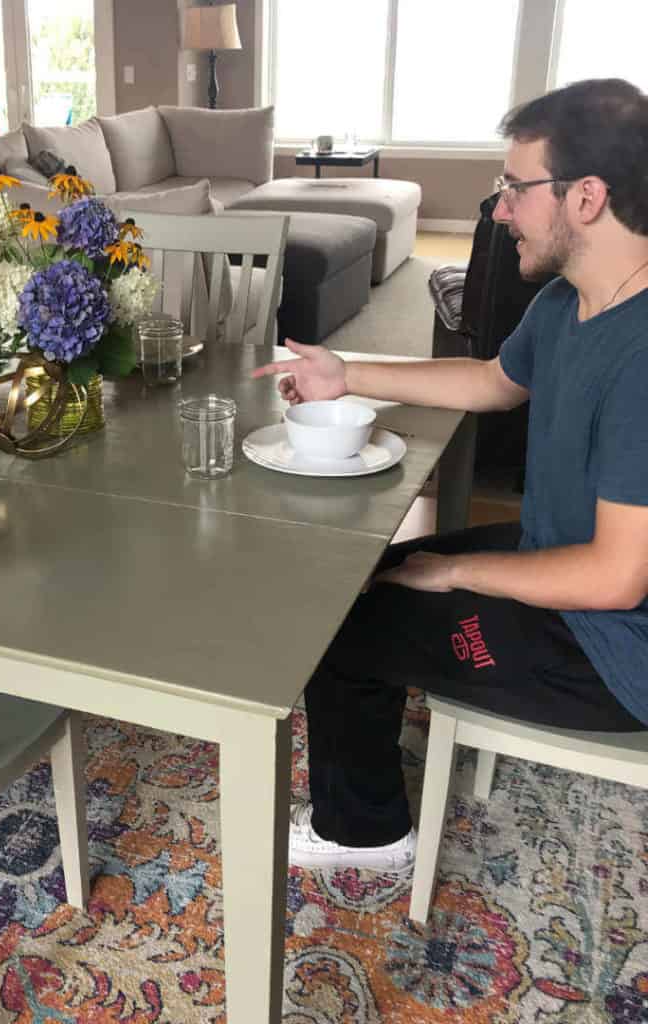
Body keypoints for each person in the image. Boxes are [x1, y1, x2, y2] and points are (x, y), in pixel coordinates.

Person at [252, 78, 648, 873]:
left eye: (515, 188)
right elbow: (491, 383)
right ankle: (388, 706)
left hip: (614, 650)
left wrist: (458, 571)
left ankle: (362, 832)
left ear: (588, 197)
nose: (499, 209)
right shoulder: (572, 302)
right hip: (563, 564)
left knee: (338, 631)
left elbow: (615, 578)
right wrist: (347, 374)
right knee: (363, 575)